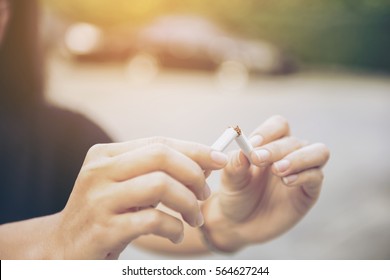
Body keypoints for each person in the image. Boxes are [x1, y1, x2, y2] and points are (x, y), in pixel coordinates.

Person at [0, 0, 330, 259]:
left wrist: (227, 222)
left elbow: (137, 217)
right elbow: (74, 231)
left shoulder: (64, 136)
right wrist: (49, 245)